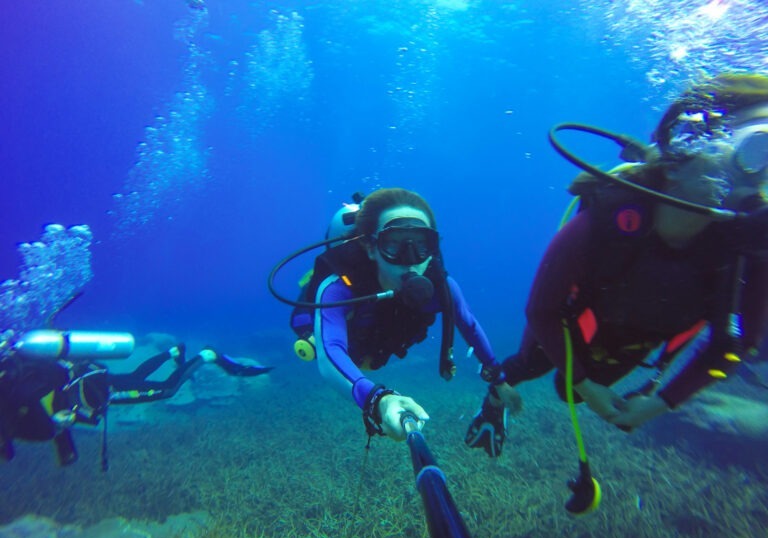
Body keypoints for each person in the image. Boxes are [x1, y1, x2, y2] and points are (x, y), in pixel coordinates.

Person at [466, 73, 768, 457]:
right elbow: (541, 310)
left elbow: (737, 344)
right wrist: (587, 386)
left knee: (567, 393)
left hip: (636, 338)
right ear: (679, 157)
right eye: (757, 150)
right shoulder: (607, 221)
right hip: (573, 321)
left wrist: (662, 402)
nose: (760, 183)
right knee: (531, 364)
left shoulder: (746, 249)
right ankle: (493, 403)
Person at [288, 188, 507, 444]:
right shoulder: (339, 288)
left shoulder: (442, 288)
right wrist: (378, 400)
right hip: (356, 344)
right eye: (394, 244)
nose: (410, 260)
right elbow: (331, 352)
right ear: (370, 247)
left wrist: (499, 379)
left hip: (380, 345)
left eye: (421, 244)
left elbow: (468, 324)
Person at [0, 331, 272, 467]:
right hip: (88, 379)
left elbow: (37, 422)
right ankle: (172, 352)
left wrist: (58, 430)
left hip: (93, 391)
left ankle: (206, 356)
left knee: (167, 390)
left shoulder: (10, 394)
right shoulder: (11, 382)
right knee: (131, 377)